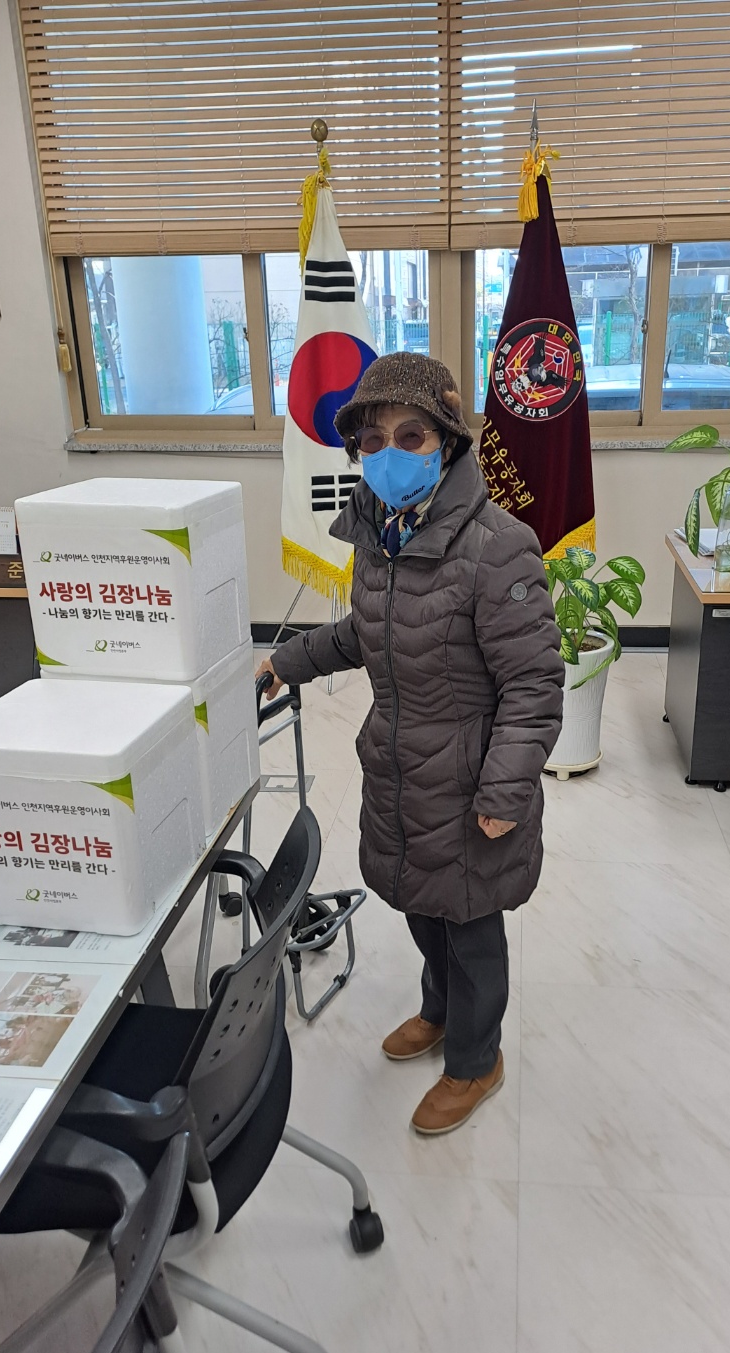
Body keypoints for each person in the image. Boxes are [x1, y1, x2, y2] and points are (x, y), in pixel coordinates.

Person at [259, 352, 562, 1135]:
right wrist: (285, 662)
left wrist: (505, 790)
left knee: (471, 925)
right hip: (399, 767)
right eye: (372, 440)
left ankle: (476, 1059)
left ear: (448, 441)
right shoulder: (379, 534)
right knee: (423, 907)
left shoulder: (499, 546)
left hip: (470, 779)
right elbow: (364, 632)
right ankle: (439, 1010)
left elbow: (533, 683)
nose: (388, 454)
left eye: (411, 436)